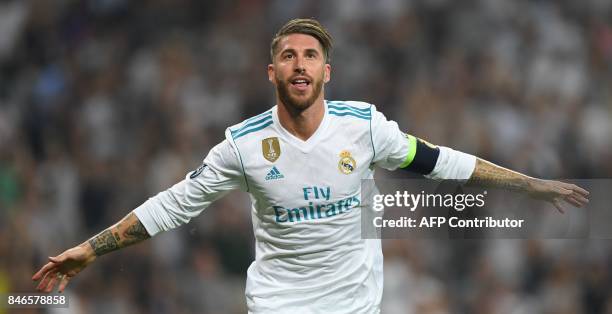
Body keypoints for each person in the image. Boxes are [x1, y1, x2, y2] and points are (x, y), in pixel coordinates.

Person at [32, 18, 589, 313]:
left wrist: (528, 184)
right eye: (288, 55)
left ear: (328, 73)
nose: (300, 64)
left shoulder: (366, 127)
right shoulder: (242, 146)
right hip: (280, 306)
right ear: (271, 72)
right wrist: (92, 247)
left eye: (311, 56)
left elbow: (441, 162)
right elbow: (174, 205)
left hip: (355, 306)